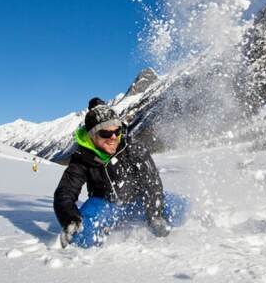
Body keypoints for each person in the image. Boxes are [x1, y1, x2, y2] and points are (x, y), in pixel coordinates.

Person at [53, 97, 188, 248]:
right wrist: (70, 218)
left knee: (180, 208)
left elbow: (152, 182)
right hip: (105, 204)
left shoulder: (133, 148)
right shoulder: (82, 158)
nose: (113, 137)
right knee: (81, 236)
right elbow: (65, 192)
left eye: (117, 131)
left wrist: (155, 214)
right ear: (92, 135)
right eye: (105, 133)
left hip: (140, 200)